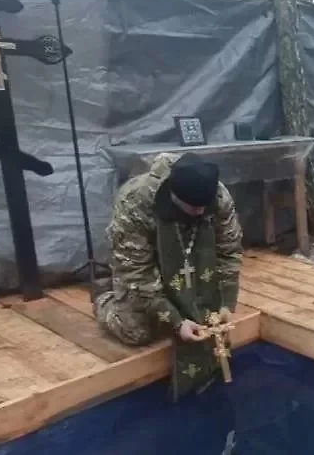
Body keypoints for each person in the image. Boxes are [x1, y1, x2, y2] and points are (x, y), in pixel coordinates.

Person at [93, 151, 243, 395]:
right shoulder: (135, 201)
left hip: (193, 264)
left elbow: (229, 251)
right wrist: (176, 321)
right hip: (146, 265)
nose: (199, 213)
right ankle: (104, 297)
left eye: (204, 208)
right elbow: (136, 272)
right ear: (172, 195)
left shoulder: (218, 196)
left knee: (209, 314)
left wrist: (226, 302)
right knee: (135, 331)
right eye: (193, 208)